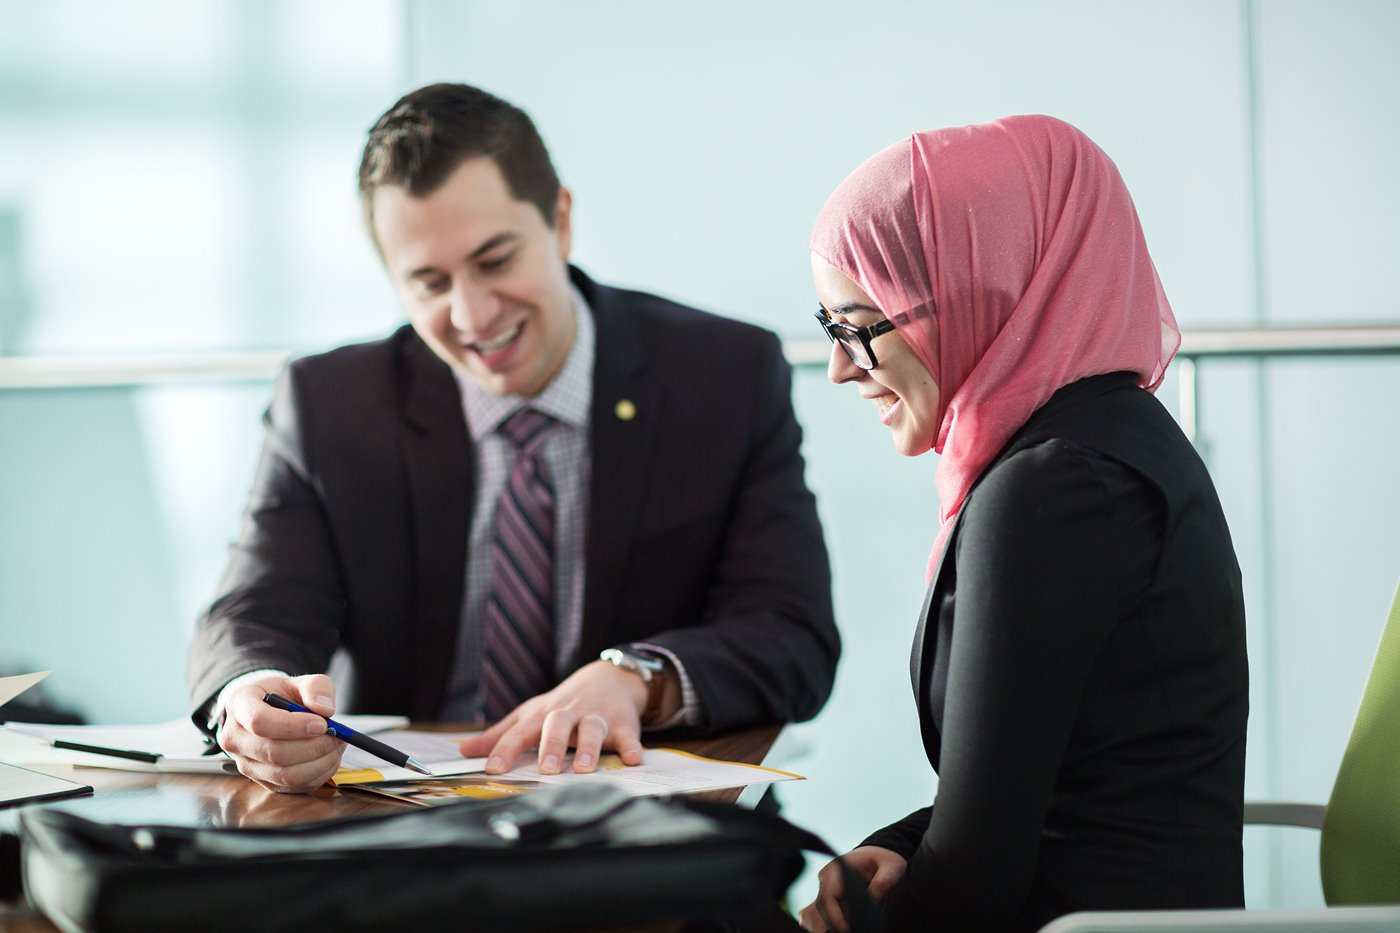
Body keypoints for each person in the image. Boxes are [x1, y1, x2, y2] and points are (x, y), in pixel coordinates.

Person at [187, 82, 839, 793]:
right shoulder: (328, 404)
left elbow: (791, 635)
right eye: (429, 282)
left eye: (495, 261)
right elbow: (254, 610)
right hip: (392, 827)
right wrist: (249, 696)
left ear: (559, 220)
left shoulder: (722, 378)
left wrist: (634, 678)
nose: (472, 314)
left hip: (640, 829)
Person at [797, 116, 1248, 932]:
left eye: (858, 326)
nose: (839, 367)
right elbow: (1051, 780)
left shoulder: (1053, 490)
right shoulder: (1108, 441)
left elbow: (974, 886)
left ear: (980, 289)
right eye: (832, 330)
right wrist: (898, 845)